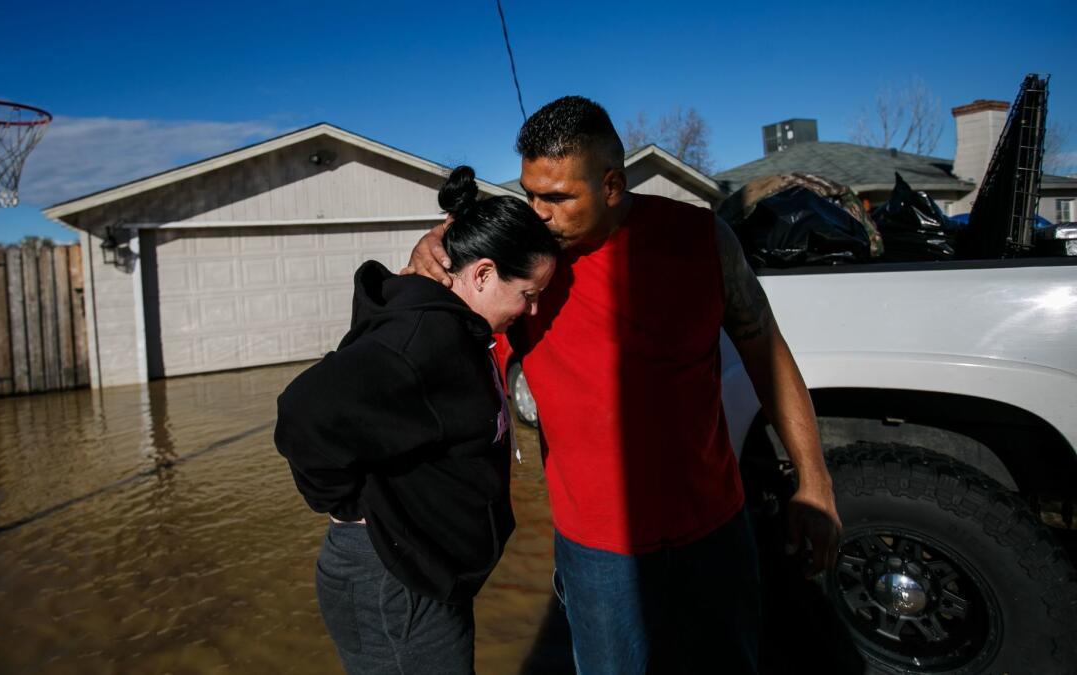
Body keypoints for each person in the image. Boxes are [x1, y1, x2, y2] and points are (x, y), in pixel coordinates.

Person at [404, 96, 842, 674]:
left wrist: (813, 481)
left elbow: (767, 351)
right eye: (531, 193)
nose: (538, 213)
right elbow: (417, 350)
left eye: (557, 197)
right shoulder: (520, 268)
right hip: (598, 553)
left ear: (611, 185)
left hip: (715, 530)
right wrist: (420, 270)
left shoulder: (701, 239)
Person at [275, 165, 559, 675]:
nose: (533, 311)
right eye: (529, 295)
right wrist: (349, 506)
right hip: (394, 581)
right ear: (484, 273)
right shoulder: (422, 340)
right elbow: (304, 414)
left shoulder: (454, 327)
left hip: (422, 574)